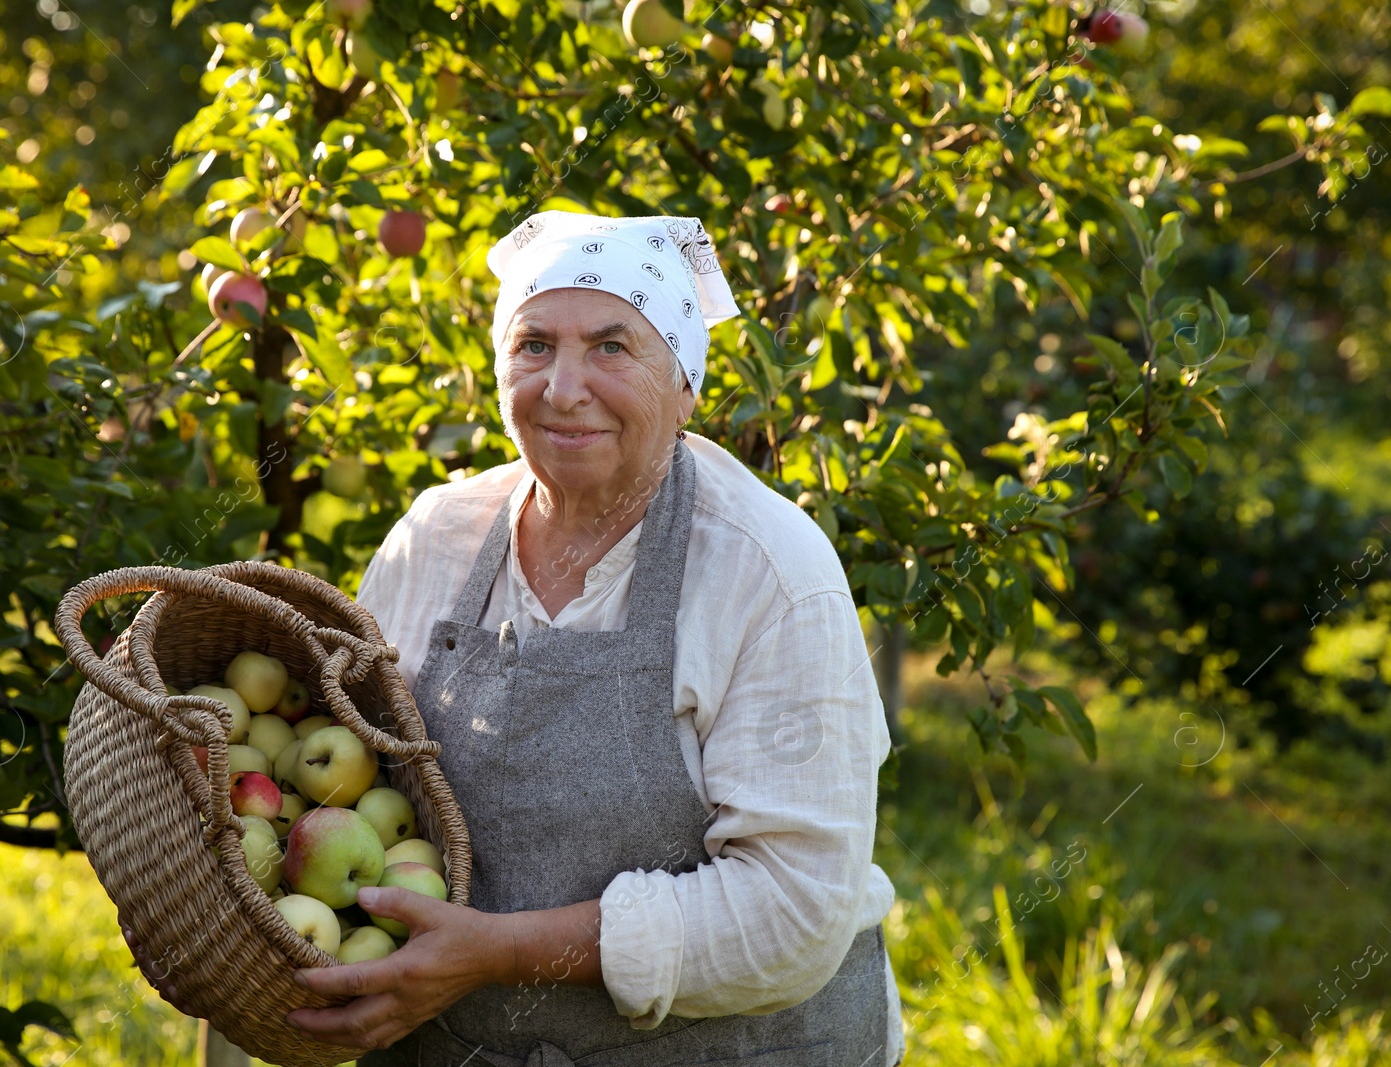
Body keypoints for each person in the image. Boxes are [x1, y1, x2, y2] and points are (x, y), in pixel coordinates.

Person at [135, 210, 905, 1066]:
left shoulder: (768, 572)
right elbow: (347, 777)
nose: (563, 386)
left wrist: (499, 951)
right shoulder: (437, 538)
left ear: (685, 382)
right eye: (534, 344)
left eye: (612, 347)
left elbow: (793, 911)